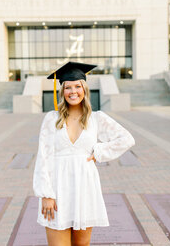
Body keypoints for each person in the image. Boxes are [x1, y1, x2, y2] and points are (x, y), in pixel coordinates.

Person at [33, 61, 135, 246]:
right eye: (68, 87)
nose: (73, 91)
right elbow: (43, 158)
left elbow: (126, 139)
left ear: (84, 89)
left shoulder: (96, 119)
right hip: (57, 190)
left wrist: (99, 151)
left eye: (78, 86)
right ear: (62, 91)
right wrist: (46, 194)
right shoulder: (51, 119)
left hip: (85, 189)